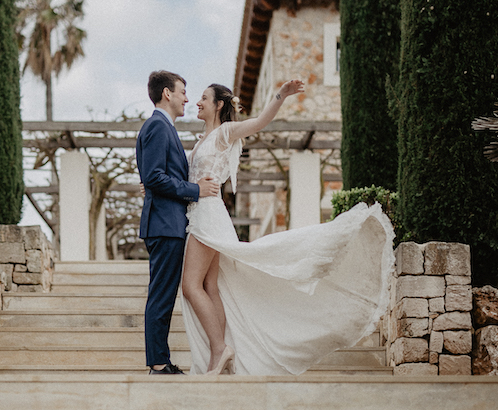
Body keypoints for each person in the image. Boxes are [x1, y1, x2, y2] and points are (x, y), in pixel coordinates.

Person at [180, 80, 396, 375]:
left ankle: (220, 349)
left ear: (219, 105)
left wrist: (280, 95)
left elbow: (259, 122)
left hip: (207, 215)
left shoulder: (224, 133)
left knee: (191, 286)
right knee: (210, 288)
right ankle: (222, 352)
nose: (197, 102)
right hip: (204, 213)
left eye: (204, 98)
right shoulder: (200, 141)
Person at [136, 70, 221, 375]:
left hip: (168, 223)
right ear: (167, 94)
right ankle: (158, 364)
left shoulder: (163, 127)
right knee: (161, 294)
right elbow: (156, 177)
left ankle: (162, 359)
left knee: (164, 293)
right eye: (183, 92)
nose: (188, 98)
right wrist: (196, 190)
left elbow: (154, 176)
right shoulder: (158, 126)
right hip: (164, 225)